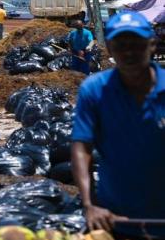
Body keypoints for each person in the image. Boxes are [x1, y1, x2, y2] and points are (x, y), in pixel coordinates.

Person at [71, 12, 165, 238]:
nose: (129, 52)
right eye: (121, 45)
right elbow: (81, 148)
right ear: (110, 49)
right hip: (117, 219)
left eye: (137, 44)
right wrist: (89, 204)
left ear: (152, 45)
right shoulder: (94, 90)